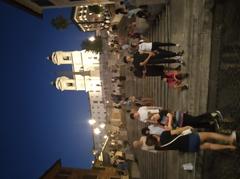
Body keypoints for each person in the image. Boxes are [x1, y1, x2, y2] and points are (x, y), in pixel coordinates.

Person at [148, 126, 237, 152]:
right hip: (190, 139)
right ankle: (230, 139)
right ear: (154, 136)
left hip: (189, 148)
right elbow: (178, 131)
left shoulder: (162, 146)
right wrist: (188, 128)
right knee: (210, 135)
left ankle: (229, 147)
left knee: (209, 146)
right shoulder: (163, 135)